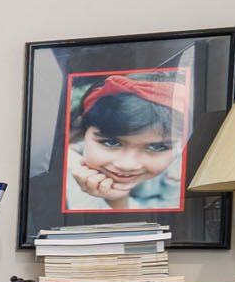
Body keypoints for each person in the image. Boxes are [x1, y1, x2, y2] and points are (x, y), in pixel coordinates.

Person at [63, 75, 187, 211]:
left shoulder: (183, 163)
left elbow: (172, 214)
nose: (127, 165)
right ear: (84, 132)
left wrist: (118, 201)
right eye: (111, 142)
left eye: (157, 147)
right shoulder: (69, 166)